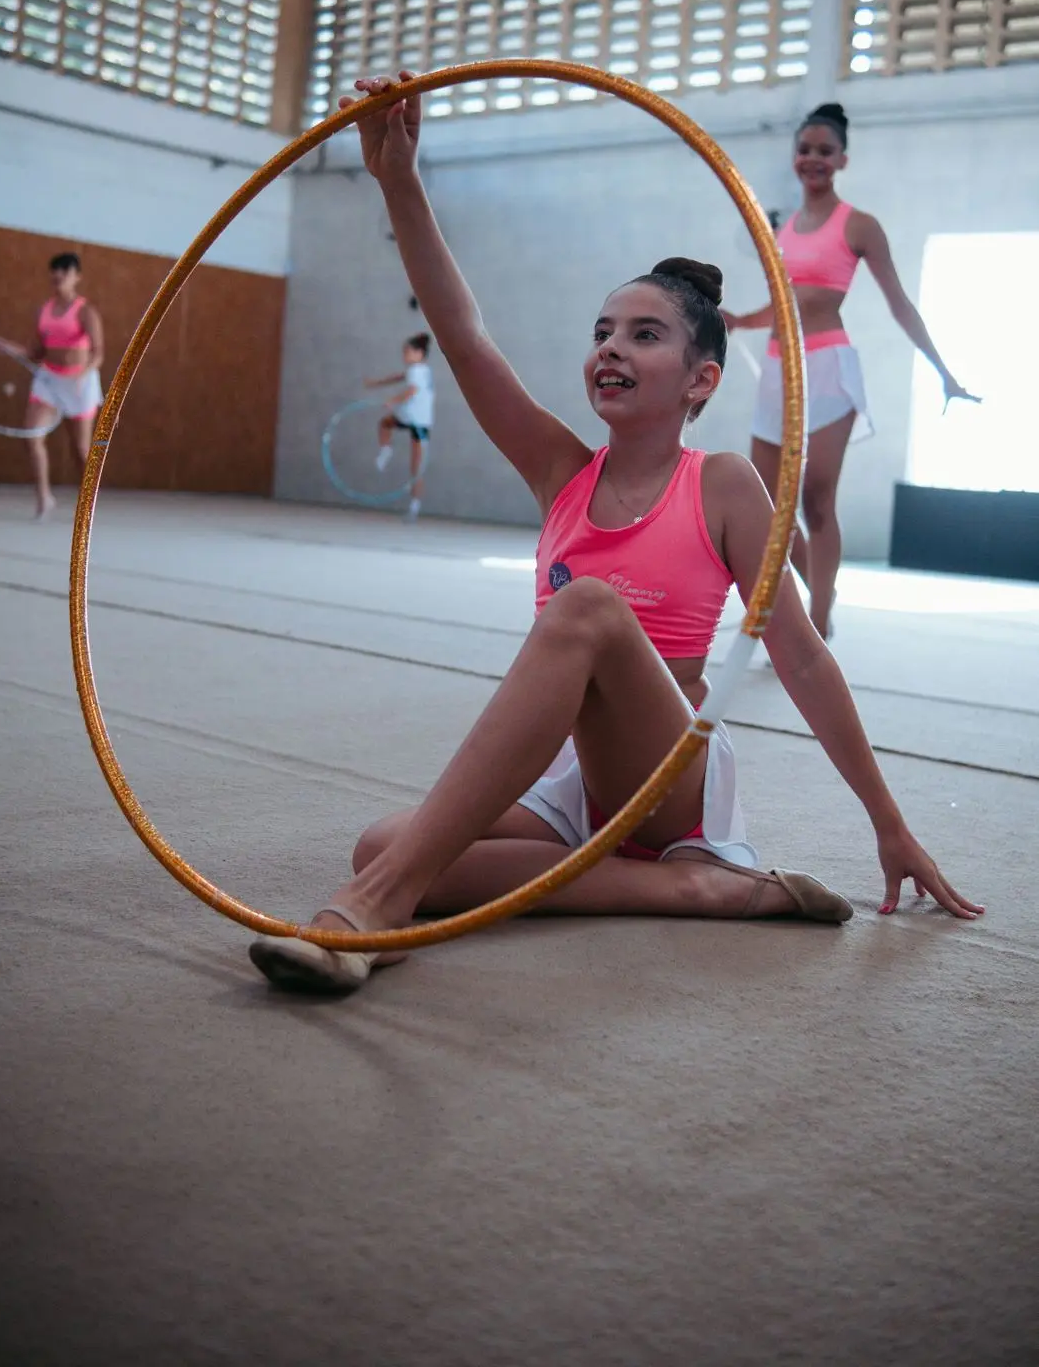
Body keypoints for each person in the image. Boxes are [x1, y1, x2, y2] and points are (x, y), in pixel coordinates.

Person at [249, 72, 982, 996]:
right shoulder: (562, 472)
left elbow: (799, 656)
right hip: (575, 790)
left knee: (586, 610)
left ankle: (371, 913)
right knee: (383, 839)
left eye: (644, 335)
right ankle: (691, 891)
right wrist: (401, 181)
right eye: (603, 331)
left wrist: (889, 821)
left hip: (666, 774)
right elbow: (466, 339)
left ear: (700, 379)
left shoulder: (719, 482)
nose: (611, 349)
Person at [722, 102, 977, 639]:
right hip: (777, 370)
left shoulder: (858, 225)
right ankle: (821, 585)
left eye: (824, 150)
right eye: (804, 149)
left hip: (829, 368)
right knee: (769, 507)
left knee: (815, 498)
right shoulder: (783, 229)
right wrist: (742, 321)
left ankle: (816, 623)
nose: (812, 158)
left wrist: (944, 372)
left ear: (842, 159)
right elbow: (784, 303)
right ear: (795, 157)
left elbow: (899, 303)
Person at [0, 252, 105, 518]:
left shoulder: (85, 311)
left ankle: (87, 504)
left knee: (80, 451)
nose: (58, 276)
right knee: (32, 436)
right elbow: (35, 352)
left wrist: (84, 373)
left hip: (79, 383)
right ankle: (44, 497)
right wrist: (7, 346)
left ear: (76, 277)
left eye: (65, 272)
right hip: (49, 381)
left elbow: (98, 352)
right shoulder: (43, 311)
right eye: (55, 271)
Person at [365, 331, 434, 519]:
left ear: (419, 353)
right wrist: (376, 383)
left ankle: (415, 504)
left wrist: (393, 400)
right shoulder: (423, 370)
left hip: (416, 420)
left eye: (408, 352)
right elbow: (398, 378)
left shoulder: (416, 371)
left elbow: (411, 390)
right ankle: (386, 451)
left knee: (416, 466)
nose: (404, 355)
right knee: (385, 424)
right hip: (415, 418)